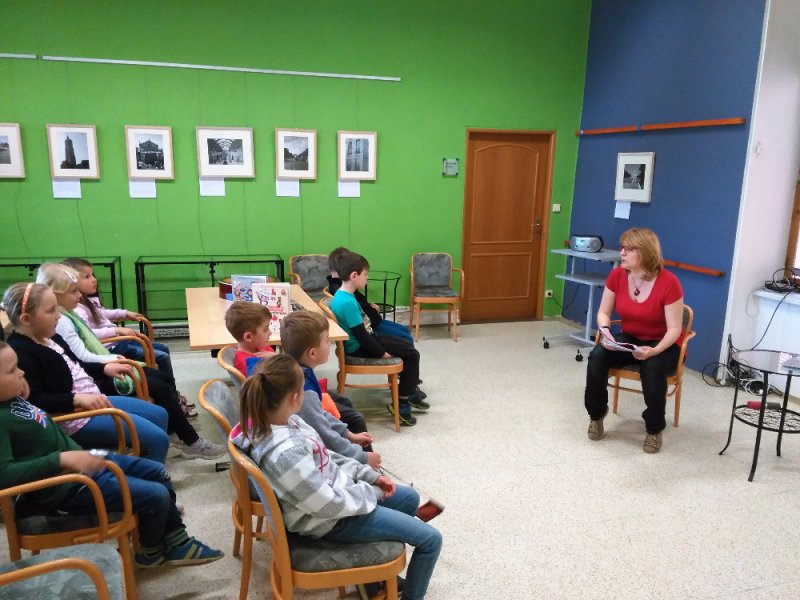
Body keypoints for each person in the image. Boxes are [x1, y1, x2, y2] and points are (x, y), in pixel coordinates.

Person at [232, 353, 442, 600]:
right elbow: (327, 505)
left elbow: (328, 457)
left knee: (408, 498)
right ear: (294, 397)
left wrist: (369, 476)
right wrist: (370, 493)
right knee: (431, 541)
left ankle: (375, 580)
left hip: (340, 498)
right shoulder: (287, 454)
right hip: (331, 521)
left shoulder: (288, 421)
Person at [0, 340, 224, 568]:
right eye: (12, 370)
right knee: (157, 495)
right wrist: (60, 459)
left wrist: (22, 390)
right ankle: (151, 553)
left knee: (158, 472)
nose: (22, 373)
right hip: (65, 488)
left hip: (83, 463)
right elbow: (4, 474)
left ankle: (177, 541)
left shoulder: (12, 399)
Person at [35, 264, 224, 460]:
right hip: (96, 379)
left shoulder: (70, 314)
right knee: (160, 385)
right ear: (55, 294)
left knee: (162, 378)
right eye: (74, 291)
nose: (79, 295)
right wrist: (113, 359)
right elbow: (82, 358)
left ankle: (177, 430)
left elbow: (79, 357)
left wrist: (112, 360)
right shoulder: (63, 322)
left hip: (99, 371)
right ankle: (190, 440)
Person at [3, 282, 170, 463]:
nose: (58, 315)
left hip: (93, 400)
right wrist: (76, 399)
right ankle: (146, 475)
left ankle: (141, 463)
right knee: (158, 439)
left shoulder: (50, 337)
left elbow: (76, 364)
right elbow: (34, 401)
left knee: (160, 414)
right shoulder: (21, 352)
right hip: (74, 420)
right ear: (26, 319)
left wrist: (104, 368)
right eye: (51, 311)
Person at [584, 227, 685, 454]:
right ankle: (596, 414)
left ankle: (654, 429)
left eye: (629, 249)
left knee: (652, 367)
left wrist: (654, 350)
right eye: (622, 248)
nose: (622, 253)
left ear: (646, 252)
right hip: (631, 337)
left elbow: (675, 329)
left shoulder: (669, 282)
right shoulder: (617, 275)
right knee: (597, 356)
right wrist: (606, 333)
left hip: (664, 342)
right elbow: (603, 313)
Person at [61, 257, 196, 419]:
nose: (94, 280)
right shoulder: (77, 309)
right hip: (112, 347)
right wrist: (116, 331)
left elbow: (103, 314)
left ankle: (173, 397)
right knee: (161, 356)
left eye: (93, 275)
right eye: (87, 277)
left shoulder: (88, 302)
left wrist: (125, 313)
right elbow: (89, 335)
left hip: (117, 344)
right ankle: (174, 402)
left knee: (163, 350)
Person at [330, 251, 427, 426]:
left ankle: (409, 390)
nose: (367, 278)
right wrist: (381, 353)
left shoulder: (341, 296)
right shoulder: (348, 303)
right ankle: (402, 404)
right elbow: (362, 336)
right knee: (413, 354)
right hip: (360, 347)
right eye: (365, 274)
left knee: (406, 345)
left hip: (367, 339)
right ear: (354, 276)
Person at [280, 310, 379, 467]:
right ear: (313, 353)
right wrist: (361, 457)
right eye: (327, 341)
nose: (330, 344)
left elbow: (319, 414)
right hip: (311, 457)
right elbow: (323, 433)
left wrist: (348, 434)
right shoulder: (304, 390)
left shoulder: (295, 370)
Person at [328, 246, 415, 345]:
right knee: (406, 338)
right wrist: (373, 311)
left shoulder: (345, 285)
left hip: (374, 319)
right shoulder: (340, 288)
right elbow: (356, 313)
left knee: (406, 331)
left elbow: (359, 305)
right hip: (372, 324)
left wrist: (371, 308)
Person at [223, 301, 275, 376]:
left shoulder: (261, 347)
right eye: (266, 329)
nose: (270, 333)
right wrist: (276, 359)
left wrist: (276, 357)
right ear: (248, 337)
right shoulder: (246, 365)